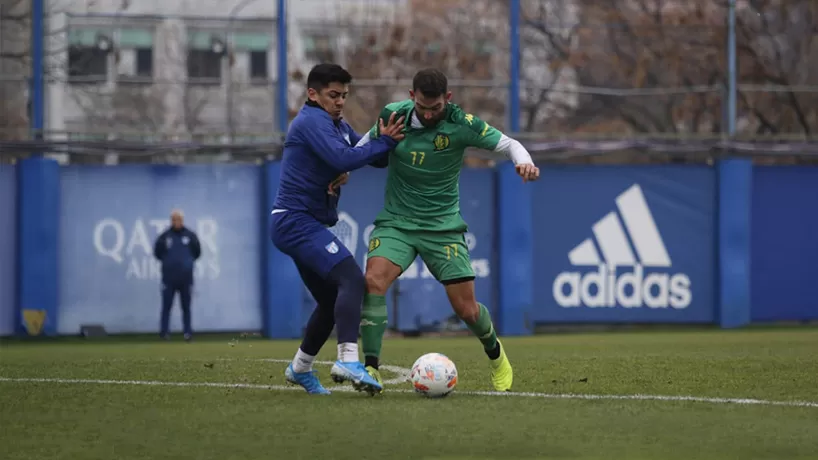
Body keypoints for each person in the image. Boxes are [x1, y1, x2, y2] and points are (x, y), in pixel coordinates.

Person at [353, 68, 540, 393]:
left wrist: (523, 162)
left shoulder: (461, 124)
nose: (429, 114)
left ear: (447, 99)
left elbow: (510, 144)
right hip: (397, 222)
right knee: (373, 280)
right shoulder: (394, 116)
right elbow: (359, 149)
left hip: (443, 228)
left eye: (436, 108)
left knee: (466, 309)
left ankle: (496, 356)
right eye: (423, 107)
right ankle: (371, 369)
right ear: (412, 97)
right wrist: (345, 167)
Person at [270, 63, 406, 395]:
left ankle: (300, 368)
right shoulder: (311, 121)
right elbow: (345, 158)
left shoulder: (337, 124)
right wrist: (378, 145)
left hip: (302, 222)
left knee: (332, 299)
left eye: (344, 95)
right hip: (294, 220)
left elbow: (370, 156)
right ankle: (347, 358)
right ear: (312, 94)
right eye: (334, 95)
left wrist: (389, 138)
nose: (340, 101)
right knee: (350, 278)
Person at [153, 209, 201, 342]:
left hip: (186, 278)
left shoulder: (190, 236)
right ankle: (165, 333)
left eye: (178, 219)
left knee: (186, 307)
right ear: (171, 221)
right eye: (174, 219)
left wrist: (187, 264)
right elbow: (157, 253)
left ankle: (187, 333)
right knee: (166, 306)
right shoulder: (165, 237)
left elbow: (197, 252)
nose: (176, 222)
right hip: (169, 278)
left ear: (182, 220)